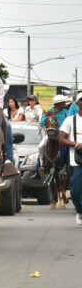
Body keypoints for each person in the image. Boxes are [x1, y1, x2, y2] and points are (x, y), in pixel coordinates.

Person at [59, 92, 82, 226]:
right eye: (81, 100)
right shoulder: (68, 119)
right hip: (77, 159)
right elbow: (60, 138)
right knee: (75, 191)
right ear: (78, 103)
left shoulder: (64, 113)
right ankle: (80, 211)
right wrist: (76, 144)